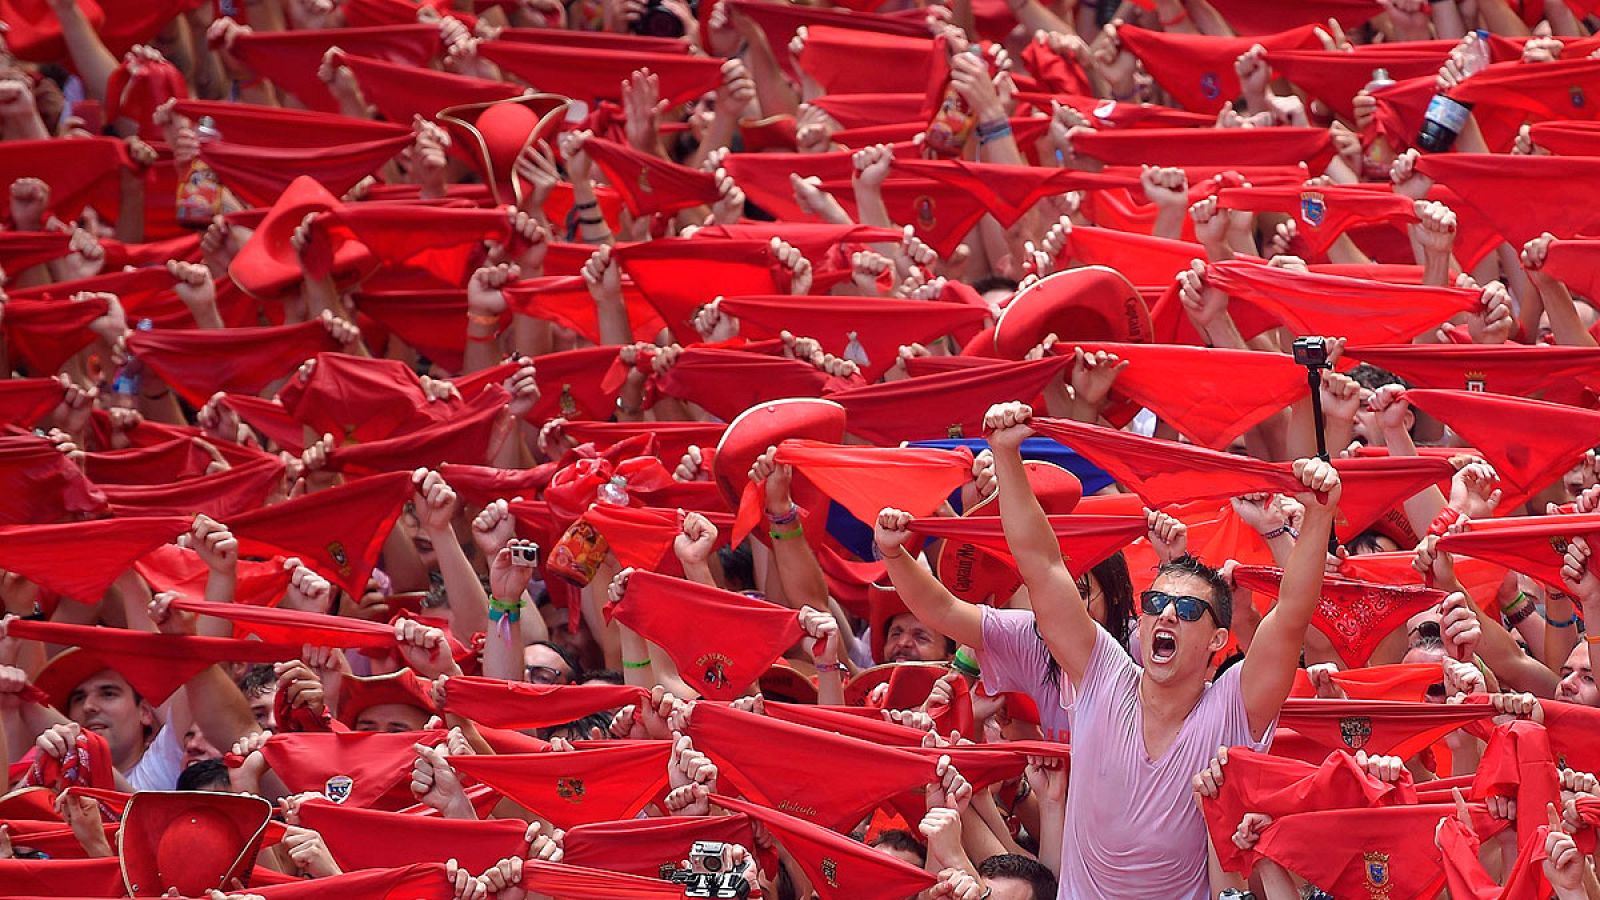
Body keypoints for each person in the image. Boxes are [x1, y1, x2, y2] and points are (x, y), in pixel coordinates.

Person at [980, 400, 1339, 899]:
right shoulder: (1102, 671)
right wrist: (1005, 456)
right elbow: (1042, 564)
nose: (1167, 614)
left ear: (1217, 640)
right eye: (1156, 603)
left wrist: (1319, 515)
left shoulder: (1235, 707)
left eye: (1188, 609)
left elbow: (1293, 613)